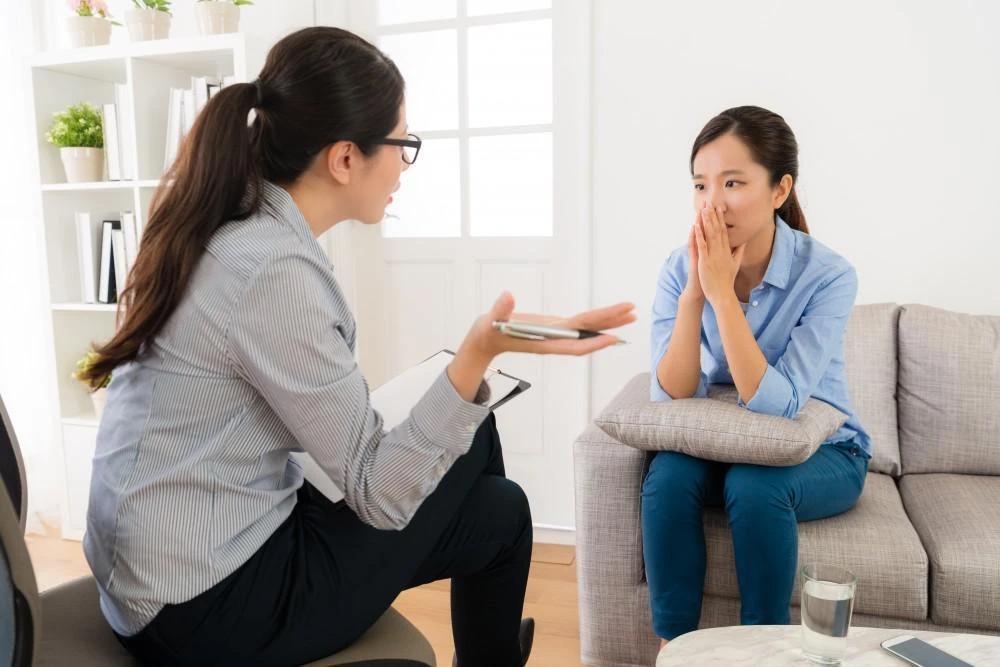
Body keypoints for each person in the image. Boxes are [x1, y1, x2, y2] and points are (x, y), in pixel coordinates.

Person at [79, 26, 634, 667]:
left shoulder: (234, 223)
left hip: (173, 563)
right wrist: (477, 353)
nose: (405, 163)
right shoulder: (273, 271)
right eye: (403, 144)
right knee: (492, 496)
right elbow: (377, 491)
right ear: (345, 158)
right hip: (206, 608)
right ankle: (493, 649)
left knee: (497, 502)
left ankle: (492, 652)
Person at [642, 106, 871, 645]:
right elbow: (671, 394)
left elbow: (780, 403)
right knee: (668, 474)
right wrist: (697, 289)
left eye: (733, 182)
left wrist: (722, 294)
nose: (712, 202)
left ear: (779, 189)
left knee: (755, 482)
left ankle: (763, 651)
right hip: (730, 443)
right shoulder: (679, 268)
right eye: (701, 185)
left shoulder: (829, 275)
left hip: (827, 452)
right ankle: (674, 649)